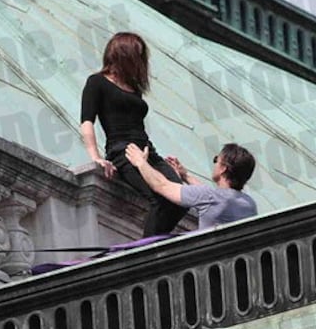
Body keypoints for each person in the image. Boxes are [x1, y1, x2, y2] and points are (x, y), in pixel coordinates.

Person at [80, 32, 187, 236]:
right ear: (124, 54)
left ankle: (153, 242)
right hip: (124, 152)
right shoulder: (97, 82)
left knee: (181, 198)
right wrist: (96, 158)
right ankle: (148, 251)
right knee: (159, 199)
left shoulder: (134, 89)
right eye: (137, 56)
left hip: (148, 152)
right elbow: (87, 122)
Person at [124, 143, 257, 230]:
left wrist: (140, 162)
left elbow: (162, 185)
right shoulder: (249, 204)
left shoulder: (209, 197)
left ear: (223, 169)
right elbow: (211, 196)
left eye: (216, 160)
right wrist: (185, 176)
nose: (214, 164)